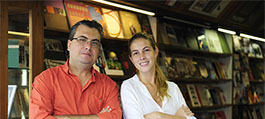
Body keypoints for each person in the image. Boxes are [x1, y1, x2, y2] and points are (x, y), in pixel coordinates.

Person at [30, 20, 122, 119]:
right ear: (69, 45)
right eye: (82, 39)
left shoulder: (109, 85)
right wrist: (98, 117)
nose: (88, 46)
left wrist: (65, 117)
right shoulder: (46, 80)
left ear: (99, 50)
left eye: (94, 43)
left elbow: (114, 116)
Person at [121, 32, 196, 119]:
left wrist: (156, 116)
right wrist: (178, 117)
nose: (142, 57)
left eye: (146, 50)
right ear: (131, 59)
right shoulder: (129, 87)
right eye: (136, 53)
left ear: (155, 52)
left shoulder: (173, 87)